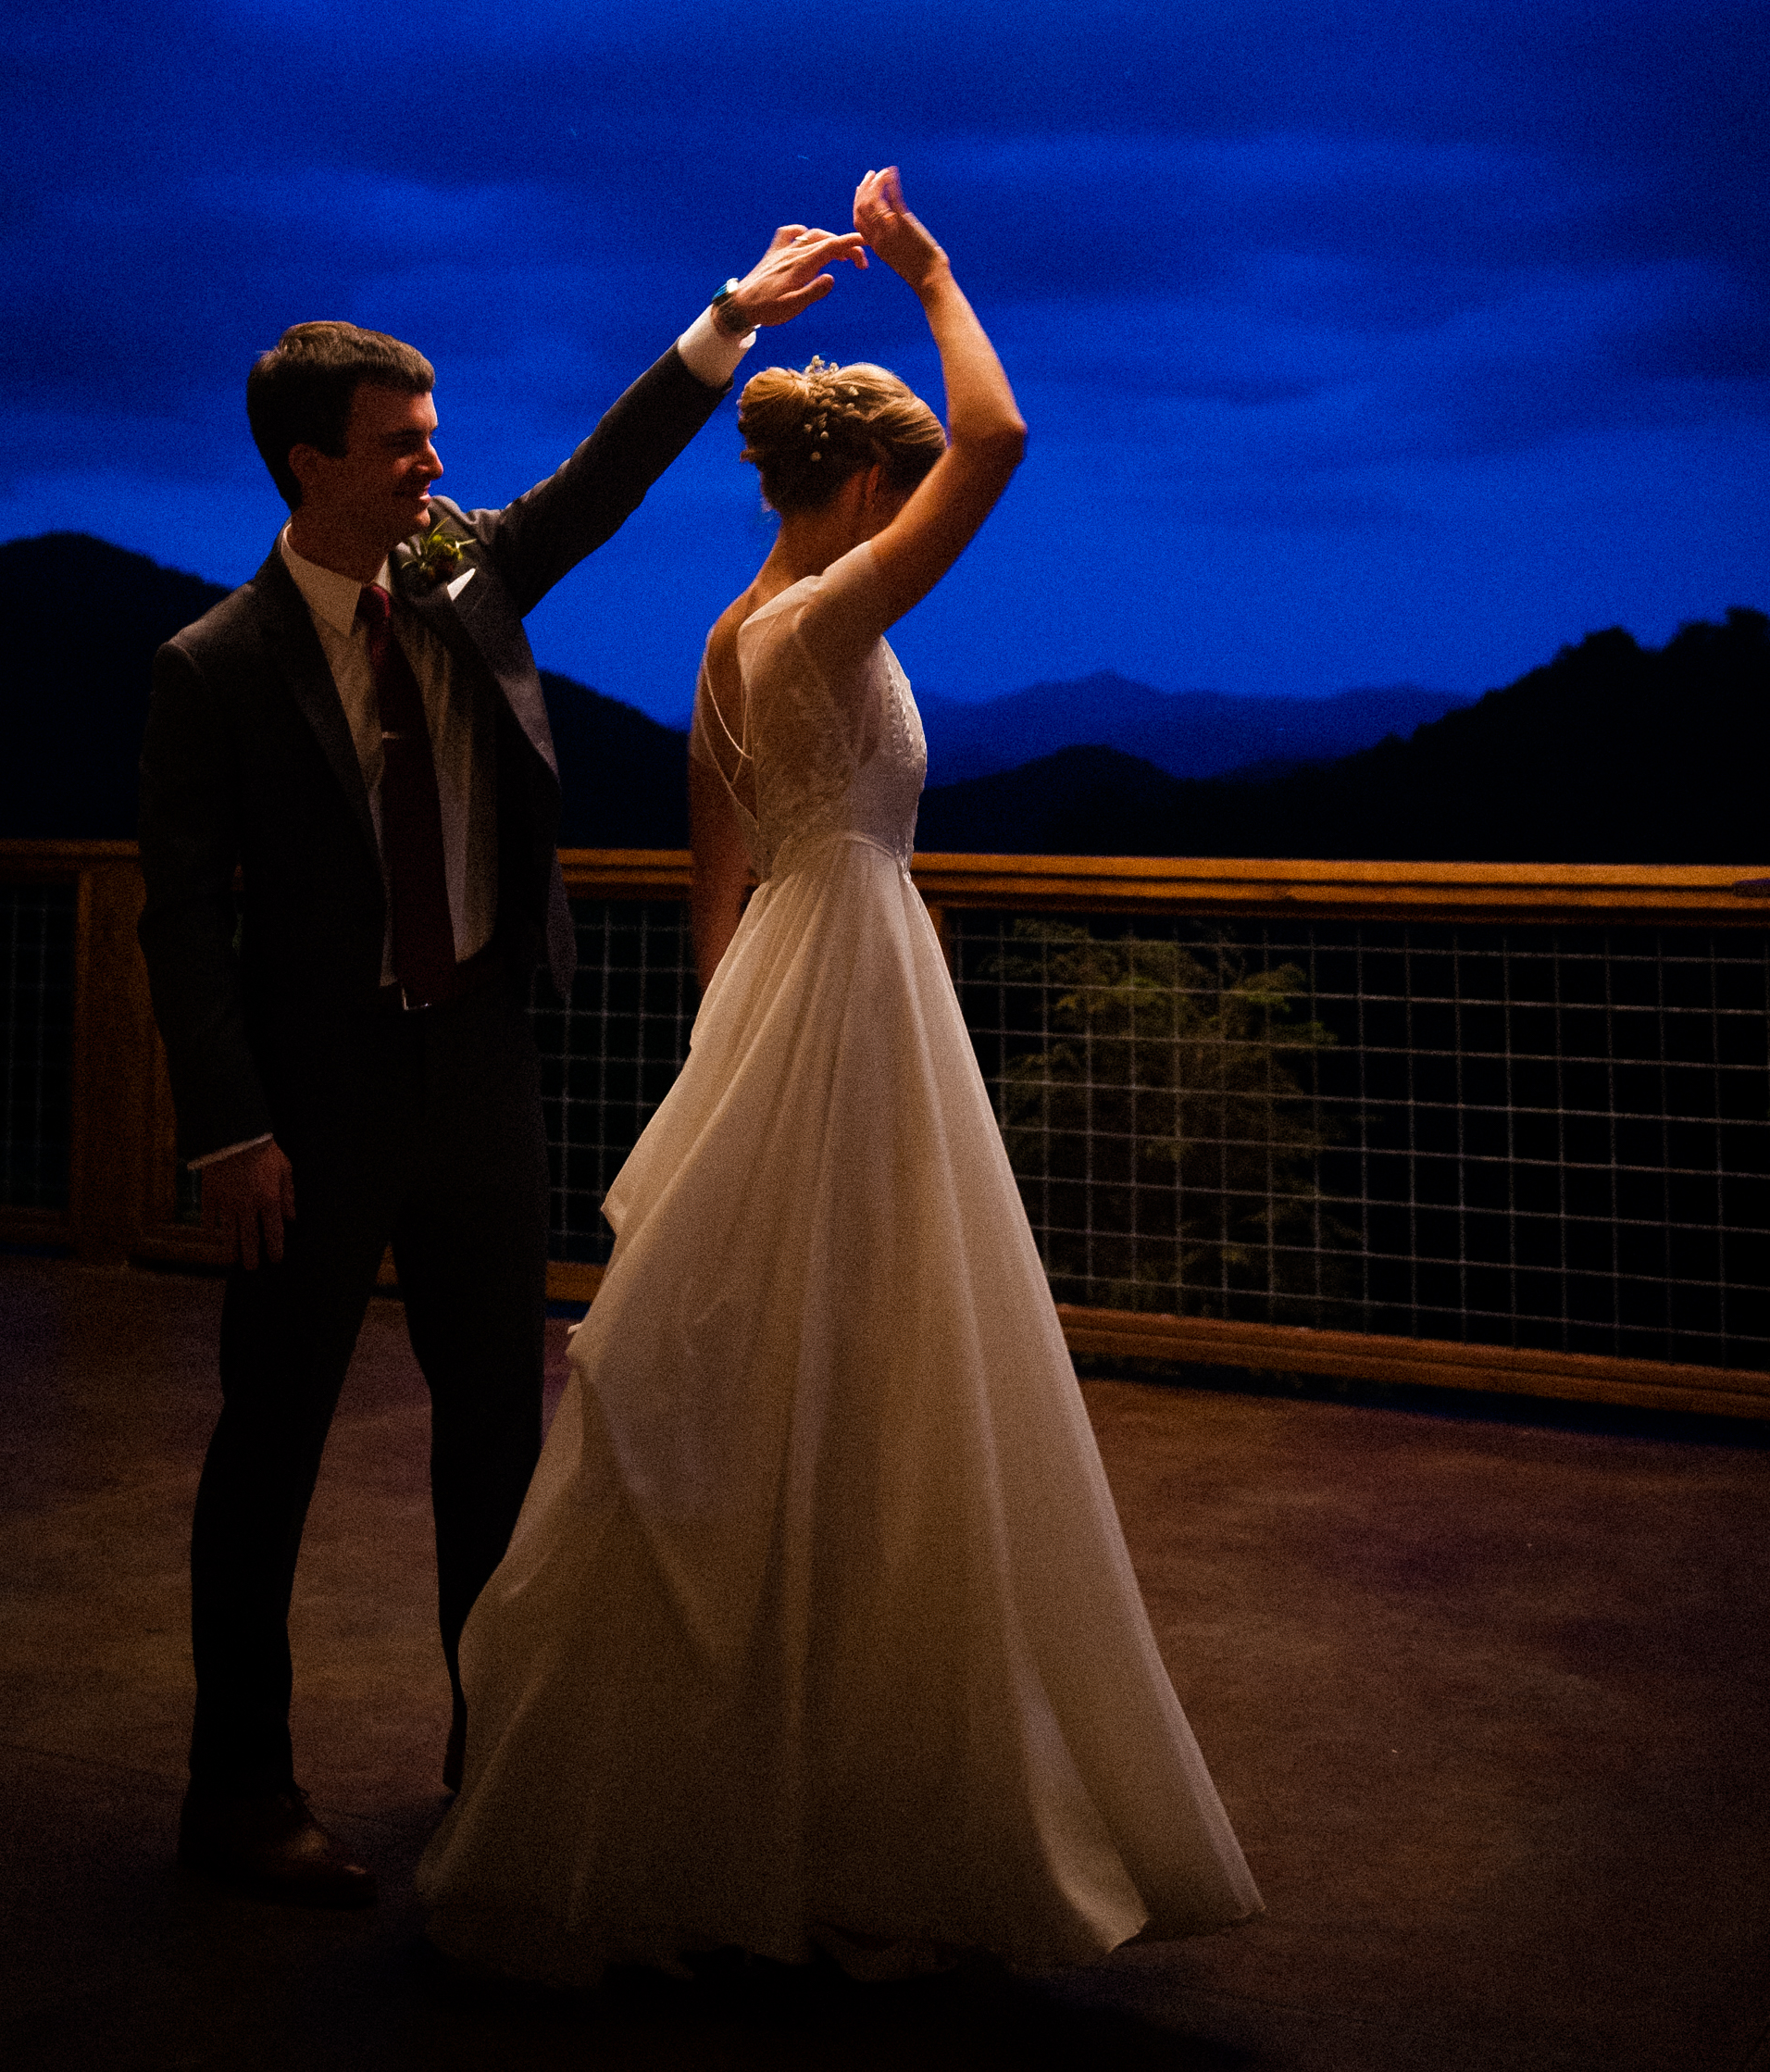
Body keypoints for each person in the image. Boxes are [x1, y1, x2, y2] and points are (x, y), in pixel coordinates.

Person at [417, 169, 1261, 1980]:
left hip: (800, 995)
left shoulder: (727, 640)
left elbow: (719, 889)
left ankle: (782, 1767)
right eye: (899, 490)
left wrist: (733, 1057)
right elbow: (1006, 433)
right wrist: (937, 278)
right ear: (866, 491)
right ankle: (854, 1787)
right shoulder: (826, 621)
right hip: (857, 1004)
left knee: (796, 1377)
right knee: (881, 1378)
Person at [137, 221, 866, 1910]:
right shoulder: (214, 671)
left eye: (434, 435)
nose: (434, 462)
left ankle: (503, 1770)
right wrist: (230, 1126)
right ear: (312, 463)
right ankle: (236, 1794)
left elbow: (592, 486)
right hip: (308, 1113)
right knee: (271, 1444)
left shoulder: (465, 573)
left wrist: (725, 324)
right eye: (401, 442)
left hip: (478, 1074)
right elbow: (180, 922)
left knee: (497, 1440)